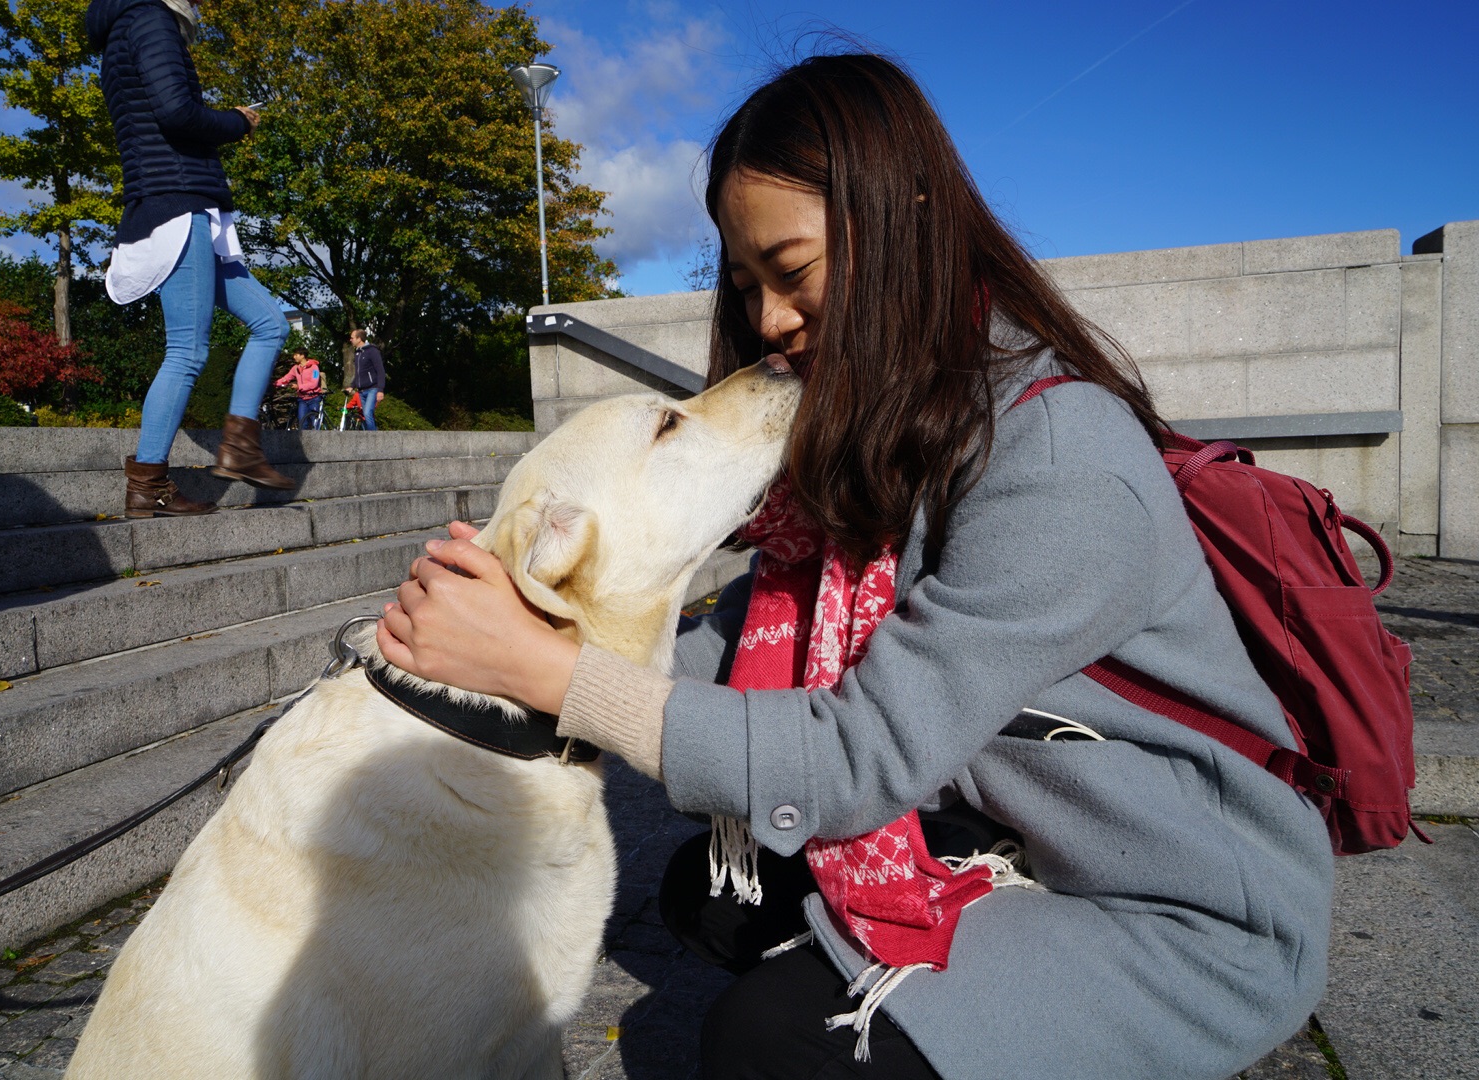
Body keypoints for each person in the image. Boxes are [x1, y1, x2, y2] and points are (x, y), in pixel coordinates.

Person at [374, 53, 1333, 1080]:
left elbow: (855, 758)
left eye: (791, 272)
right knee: (706, 893)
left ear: (906, 217)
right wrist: (508, 634)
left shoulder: (1058, 462)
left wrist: (549, 676)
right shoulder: (900, 425)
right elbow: (732, 643)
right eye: (745, 287)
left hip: (1163, 908)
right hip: (1003, 829)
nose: (770, 322)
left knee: (764, 1042)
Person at [88, 0, 294, 517]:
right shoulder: (148, 18)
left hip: (193, 205)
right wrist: (237, 121)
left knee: (270, 322)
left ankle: (240, 449)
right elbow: (177, 111)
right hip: (174, 203)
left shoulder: (129, 27)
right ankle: (147, 483)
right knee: (187, 350)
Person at [275, 348, 326, 430]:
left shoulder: (314, 367)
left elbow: (314, 383)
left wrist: (299, 387)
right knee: (302, 422)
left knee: (315, 423)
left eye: (296, 355)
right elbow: (287, 378)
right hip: (302, 399)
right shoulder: (295, 368)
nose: (294, 357)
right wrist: (275, 383)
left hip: (314, 398)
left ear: (302, 356)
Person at [349, 328, 385, 431]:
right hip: (361, 391)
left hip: (372, 388)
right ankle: (374, 436)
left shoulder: (372, 351)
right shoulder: (357, 353)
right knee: (367, 415)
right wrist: (352, 386)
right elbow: (358, 373)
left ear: (359, 339)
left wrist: (380, 390)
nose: (350, 340)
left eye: (352, 338)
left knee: (368, 412)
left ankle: (372, 438)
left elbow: (380, 371)